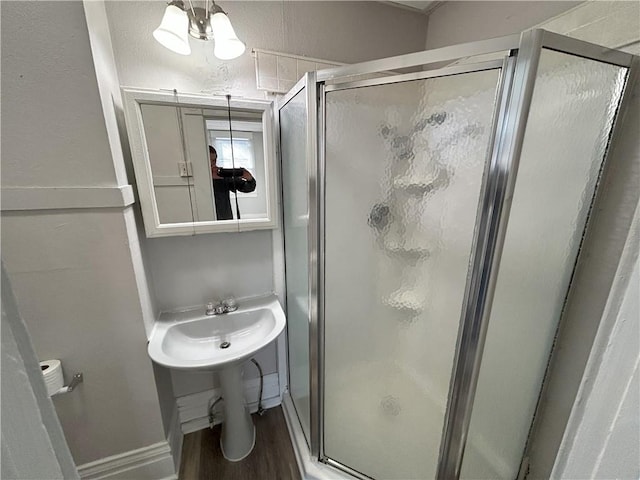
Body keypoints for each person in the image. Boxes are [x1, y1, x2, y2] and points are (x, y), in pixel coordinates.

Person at [209, 145, 256, 220]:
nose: (212, 163)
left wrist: (249, 178)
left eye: (214, 160)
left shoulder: (223, 174)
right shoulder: (198, 178)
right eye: (209, 160)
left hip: (225, 218)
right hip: (205, 218)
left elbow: (248, 187)